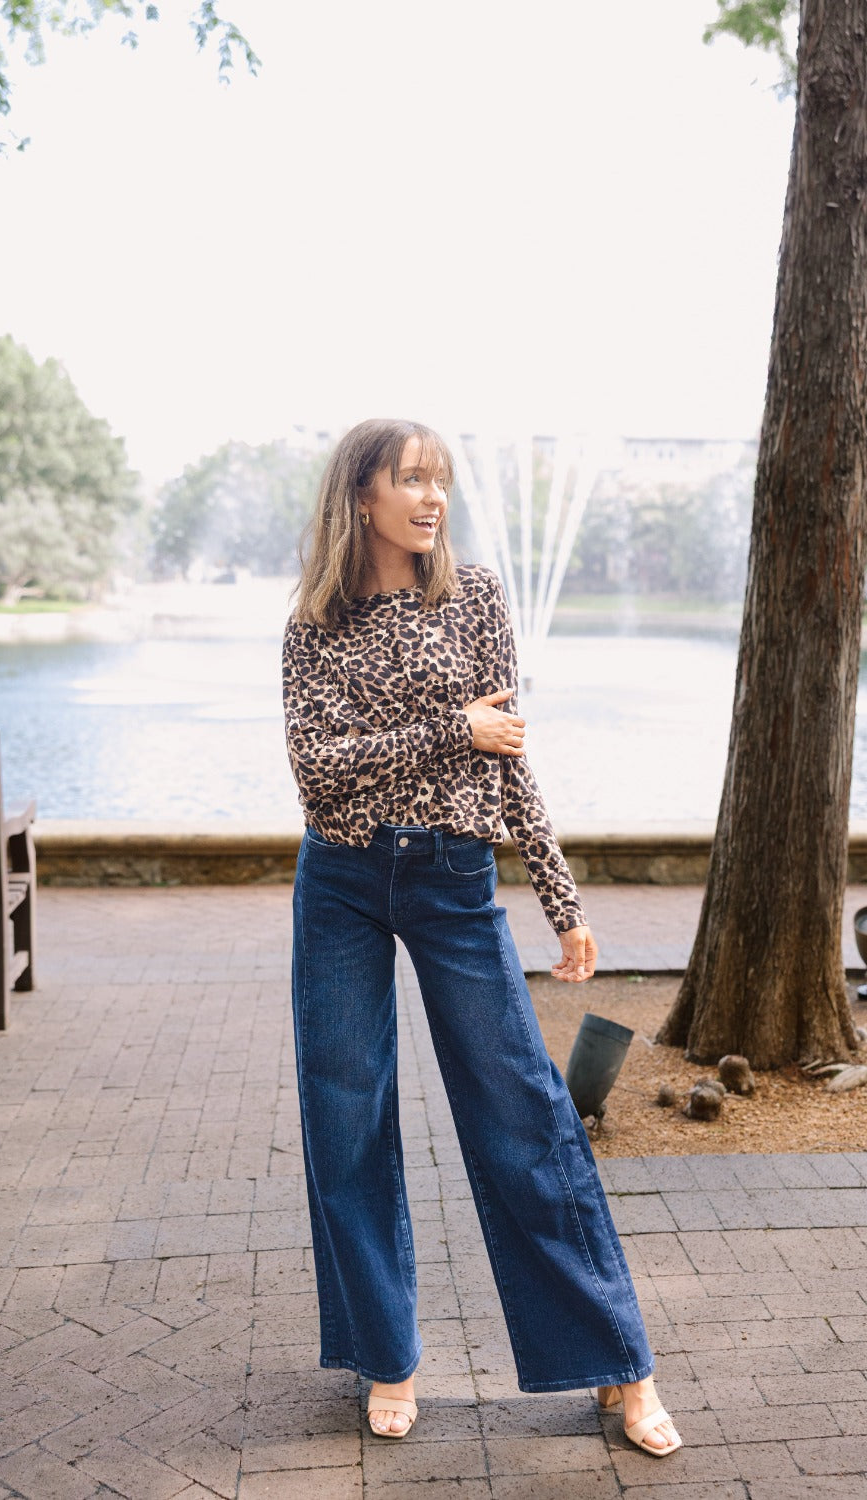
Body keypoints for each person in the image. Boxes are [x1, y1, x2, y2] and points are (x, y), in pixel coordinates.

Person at [282, 417, 681, 1457]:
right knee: (346, 1116)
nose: (432, 498)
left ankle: (616, 1359)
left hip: (456, 877)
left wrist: (565, 902)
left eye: (442, 481)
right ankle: (386, 1351)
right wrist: (448, 731)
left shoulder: (479, 599)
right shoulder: (314, 625)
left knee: (525, 1111)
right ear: (359, 495)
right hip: (342, 880)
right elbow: (319, 770)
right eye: (410, 480)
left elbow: (511, 765)